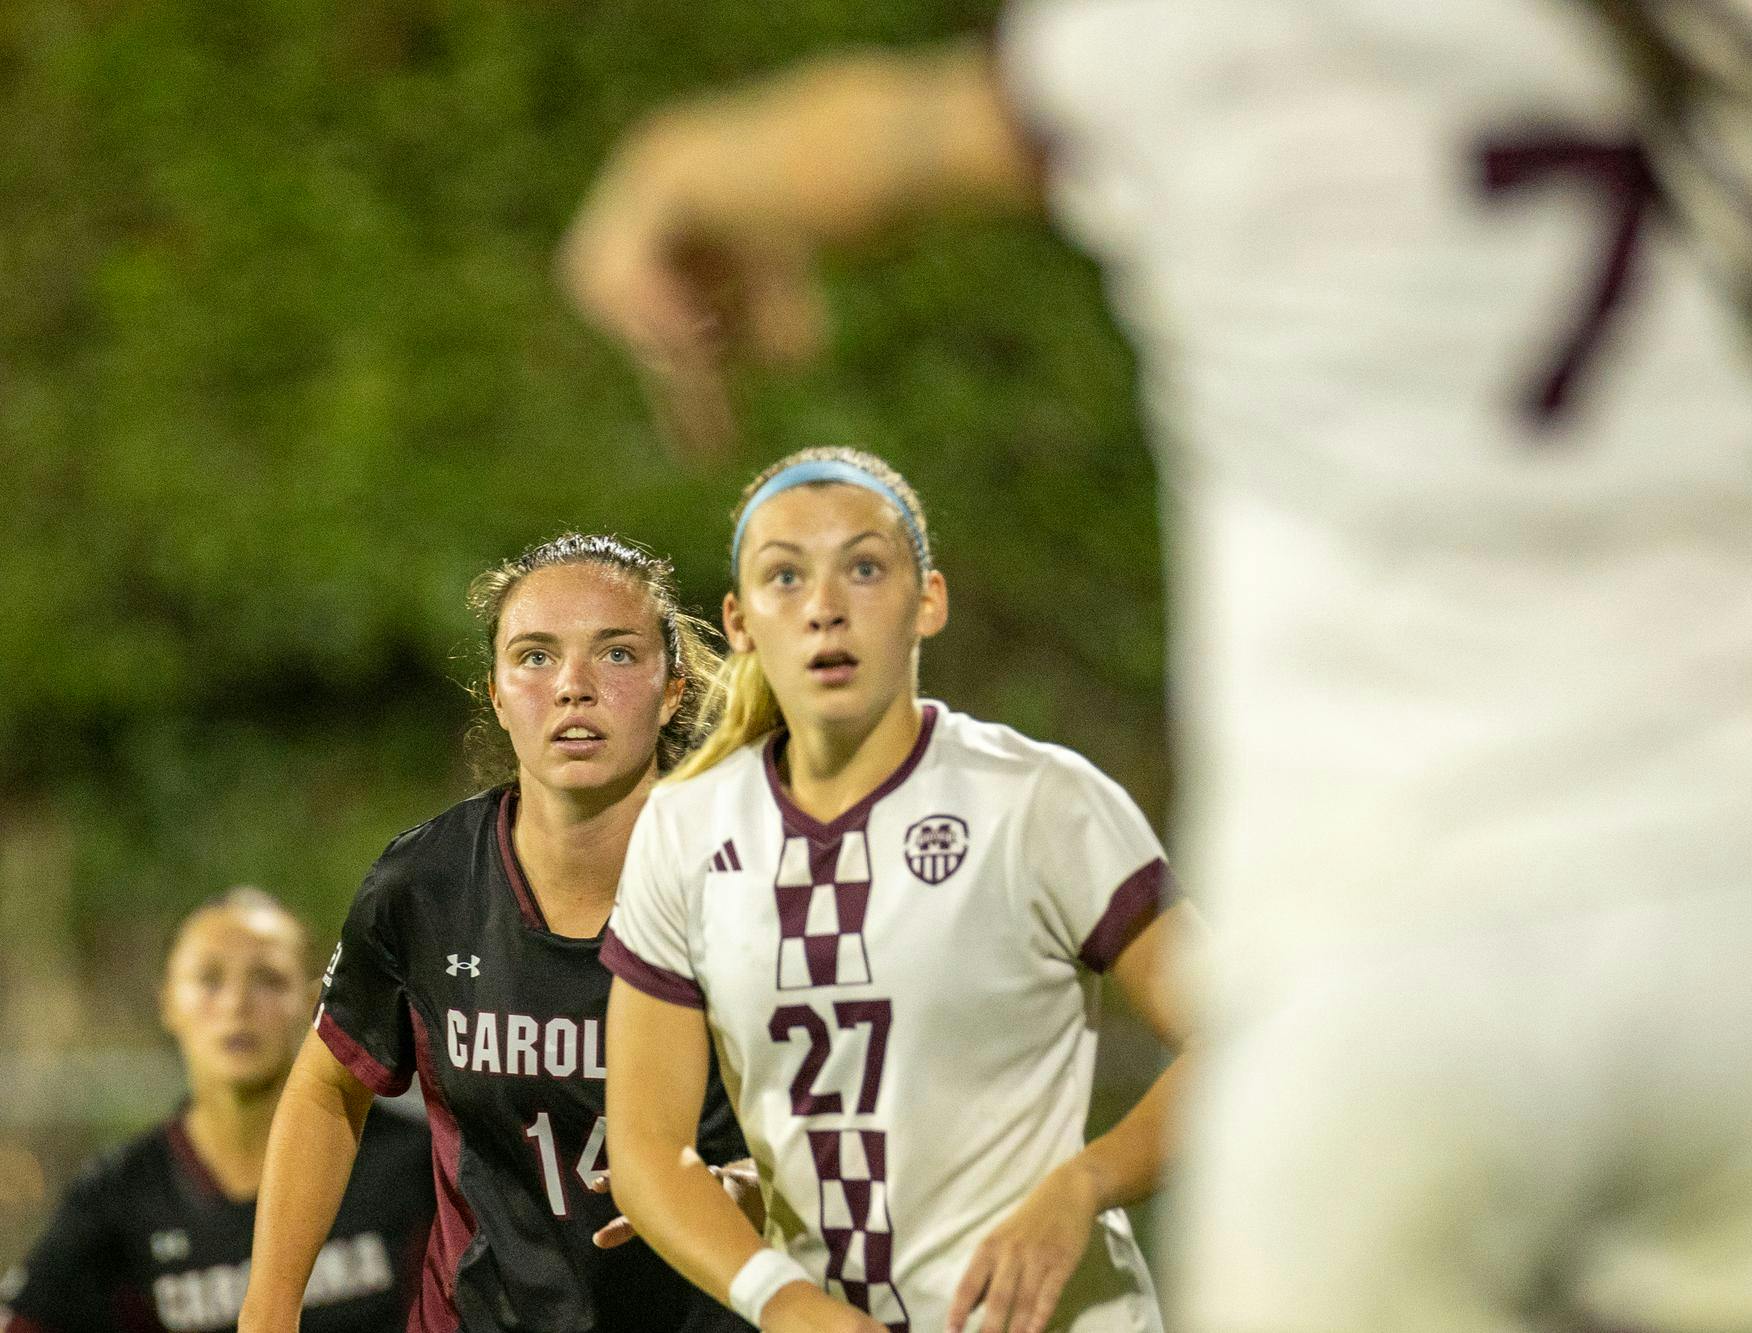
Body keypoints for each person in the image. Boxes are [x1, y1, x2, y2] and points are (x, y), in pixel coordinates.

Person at [561, 5, 1752, 1330]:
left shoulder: (1231, 28)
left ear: (924, 599)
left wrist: (677, 170)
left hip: (1389, 944)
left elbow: (903, 134)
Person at [597, 447, 1190, 1333]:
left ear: (929, 601)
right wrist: (783, 1300)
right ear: (740, 621)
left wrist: (1085, 1182)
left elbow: (1245, 1039)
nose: (824, 606)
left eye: (865, 568)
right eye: (785, 576)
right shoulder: (687, 827)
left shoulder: (1037, 800)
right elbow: (647, 1145)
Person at [238, 534, 748, 1333]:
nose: (573, 686)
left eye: (616, 653)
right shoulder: (426, 882)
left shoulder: (756, 878)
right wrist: (267, 1312)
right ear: (498, 695)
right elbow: (328, 1085)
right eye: (535, 656)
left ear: (672, 689)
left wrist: (755, 1186)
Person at [0, 888, 433, 1333]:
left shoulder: (416, 1161)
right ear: (168, 1003)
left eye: (268, 979)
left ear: (314, 1002)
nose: (236, 1004)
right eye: (209, 979)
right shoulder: (117, 1199)